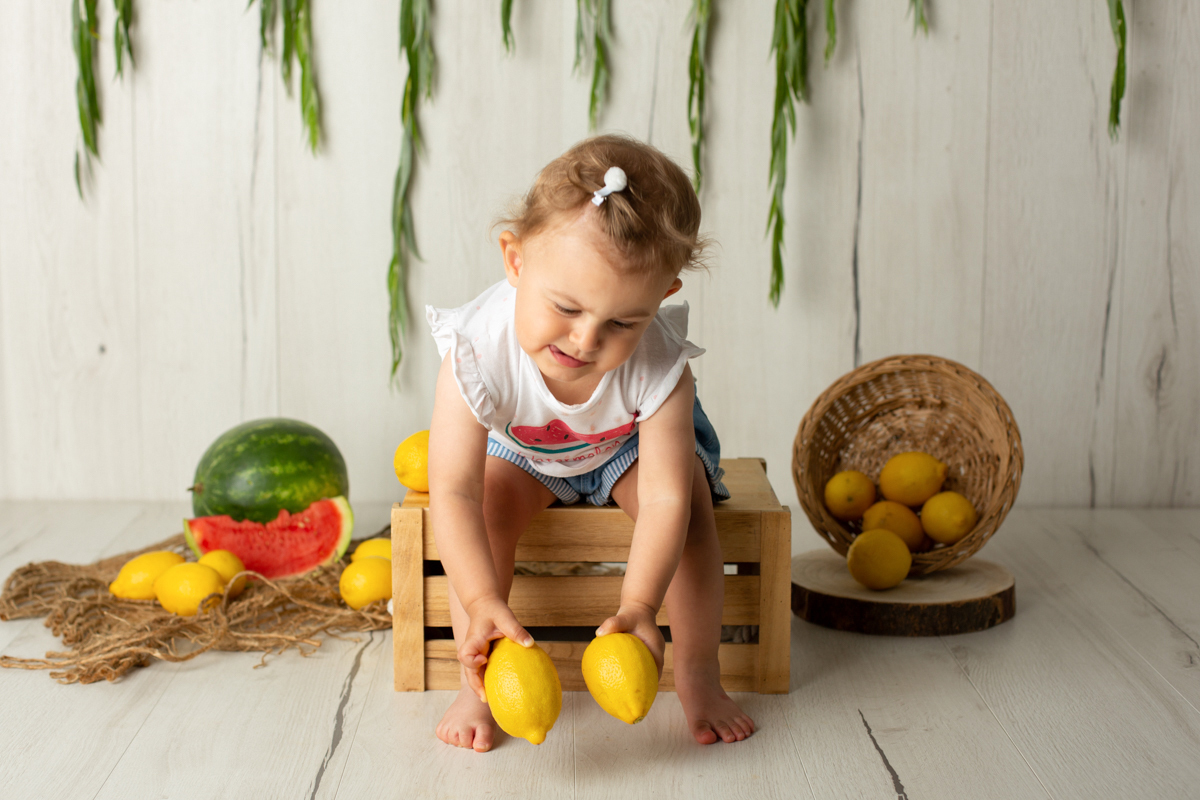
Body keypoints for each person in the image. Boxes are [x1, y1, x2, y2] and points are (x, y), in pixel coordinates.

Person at [427, 134, 756, 751]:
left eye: (622, 323)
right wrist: (479, 597)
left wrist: (638, 603)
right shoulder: (476, 349)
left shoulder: (660, 363)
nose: (584, 340)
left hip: (624, 450)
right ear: (516, 260)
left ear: (662, 298)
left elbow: (661, 500)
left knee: (688, 503)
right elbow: (453, 489)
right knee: (490, 507)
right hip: (525, 454)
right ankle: (477, 682)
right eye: (567, 308)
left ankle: (698, 673)